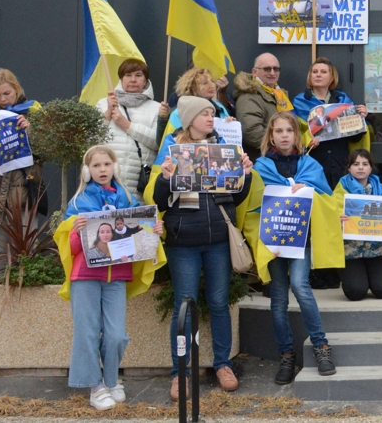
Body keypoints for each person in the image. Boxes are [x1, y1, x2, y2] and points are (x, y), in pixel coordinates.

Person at [147, 96, 251, 399]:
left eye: (212, 113)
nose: (210, 118)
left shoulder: (224, 149)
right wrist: (165, 179)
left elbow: (235, 198)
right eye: (205, 113)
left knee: (219, 303)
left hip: (218, 240)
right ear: (189, 119)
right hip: (183, 242)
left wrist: (244, 175)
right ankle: (180, 372)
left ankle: (223, 365)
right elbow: (159, 202)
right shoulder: (171, 150)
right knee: (185, 306)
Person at [57, 146, 164, 411]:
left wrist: (154, 230)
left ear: (114, 166)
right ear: (87, 171)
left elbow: (140, 238)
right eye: (96, 165)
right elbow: (70, 247)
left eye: (106, 164)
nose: (102, 169)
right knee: (87, 332)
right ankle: (95, 387)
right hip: (85, 276)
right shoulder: (78, 203)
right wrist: (76, 232)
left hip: (117, 276)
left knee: (117, 335)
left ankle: (111, 380)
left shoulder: (127, 198)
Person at [249, 112, 338, 384]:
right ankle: (286, 354)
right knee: (278, 296)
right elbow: (253, 203)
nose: (284, 135)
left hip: (302, 238)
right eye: (279, 131)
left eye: (289, 130)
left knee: (300, 285)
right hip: (273, 241)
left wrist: (307, 187)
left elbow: (326, 197)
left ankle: (321, 346)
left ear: (296, 135)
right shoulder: (260, 167)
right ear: (271, 136)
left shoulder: (310, 164)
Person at [294, 57, 369, 188]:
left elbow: (354, 138)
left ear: (332, 77)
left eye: (323, 72)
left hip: (340, 162)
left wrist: (360, 119)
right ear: (310, 76)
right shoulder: (299, 102)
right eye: (314, 72)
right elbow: (295, 135)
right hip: (314, 163)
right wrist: (307, 142)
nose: (318, 75)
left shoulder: (343, 100)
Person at [95, 59, 161, 194]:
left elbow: (157, 143)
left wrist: (127, 125)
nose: (133, 80)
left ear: (145, 81)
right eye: (128, 75)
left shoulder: (157, 108)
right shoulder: (103, 104)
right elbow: (92, 140)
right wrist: (107, 113)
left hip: (138, 184)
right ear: (121, 79)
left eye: (138, 75)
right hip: (107, 182)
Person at [337, 149, 382, 302]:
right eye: (356, 164)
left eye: (365, 164)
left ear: (371, 167)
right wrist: (338, 218)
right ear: (349, 168)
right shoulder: (340, 189)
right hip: (351, 250)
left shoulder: (380, 189)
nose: (360, 167)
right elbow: (331, 213)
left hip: (376, 249)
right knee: (355, 292)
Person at [0, 68, 41, 211]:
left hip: (23, 193)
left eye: (7, 93)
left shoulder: (33, 111)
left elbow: (48, 152)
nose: (3, 99)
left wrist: (30, 131)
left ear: (17, 88)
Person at [234, 53, 292, 163]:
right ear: (254, 72)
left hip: (280, 159)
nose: (272, 73)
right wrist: (284, 143)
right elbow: (251, 132)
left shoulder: (279, 95)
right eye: (267, 69)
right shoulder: (249, 96)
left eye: (276, 69)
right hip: (263, 162)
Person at [156, 67, 234, 145]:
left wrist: (230, 123)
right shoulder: (179, 113)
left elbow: (227, 141)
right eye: (205, 83)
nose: (211, 85)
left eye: (212, 81)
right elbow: (166, 143)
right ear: (192, 87)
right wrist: (162, 119)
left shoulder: (221, 108)